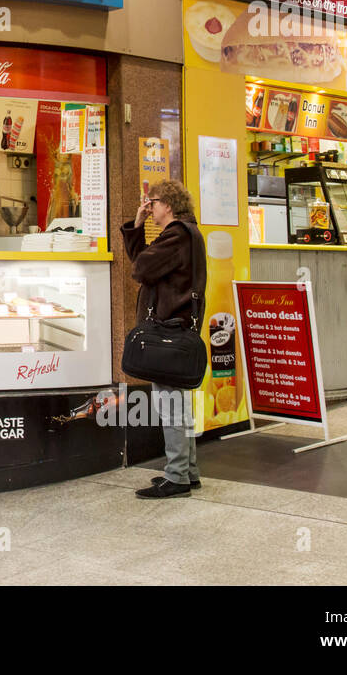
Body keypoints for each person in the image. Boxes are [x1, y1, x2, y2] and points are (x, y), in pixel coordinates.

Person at [120, 179, 207, 499]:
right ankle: (188, 472)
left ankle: (177, 476)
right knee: (178, 402)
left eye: (152, 202)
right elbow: (144, 264)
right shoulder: (186, 233)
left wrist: (137, 227)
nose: (148, 207)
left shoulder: (176, 235)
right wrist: (137, 226)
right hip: (177, 328)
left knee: (172, 405)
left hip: (169, 329)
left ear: (168, 204)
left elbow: (141, 268)